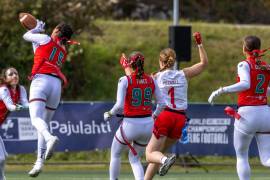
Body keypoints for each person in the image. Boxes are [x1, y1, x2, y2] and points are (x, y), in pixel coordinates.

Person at [144, 32, 208, 179]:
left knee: (150, 154)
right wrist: (199, 43)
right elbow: (204, 63)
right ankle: (160, 164)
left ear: (161, 62)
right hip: (180, 119)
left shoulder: (155, 77)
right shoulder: (183, 74)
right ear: (174, 61)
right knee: (158, 154)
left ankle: (165, 160)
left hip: (165, 115)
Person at [208, 35, 270, 180]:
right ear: (259, 49)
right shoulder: (265, 66)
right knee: (266, 159)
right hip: (265, 113)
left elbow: (245, 84)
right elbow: (265, 89)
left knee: (242, 155)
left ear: (244, 48)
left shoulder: (244, 64)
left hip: (248, 114)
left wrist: (221, 90)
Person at [22, 20, 73, 177]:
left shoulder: (45, 38)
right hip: (56, 85)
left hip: (41, 81)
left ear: (57, 30)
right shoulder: (63, 49)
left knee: (35, 120)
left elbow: (25, 36)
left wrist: (35, 29)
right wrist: (37, 32)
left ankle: (50, 138)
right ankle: (39, 162)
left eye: (54, 28)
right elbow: (39, 52)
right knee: (43, 124)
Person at [103, 51, 165, 180]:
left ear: (130, 64)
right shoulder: (151, 80)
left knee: (115, 154)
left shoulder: (124, 80)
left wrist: (109, 113)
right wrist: (153, 116)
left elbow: (119, 105)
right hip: (148, 124)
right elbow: (162, 103)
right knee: (135, 159)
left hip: (130, 124)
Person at [0, 67, 29, 180]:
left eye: (16, 73)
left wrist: (39, 104)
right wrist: (22, 106)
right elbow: (11, 107)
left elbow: (26, 104)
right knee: (1, 158)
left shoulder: (21, 89)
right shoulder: (3, 90)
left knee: (3, 157)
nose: (14, 76)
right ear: (5, 78)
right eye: (10, 74)